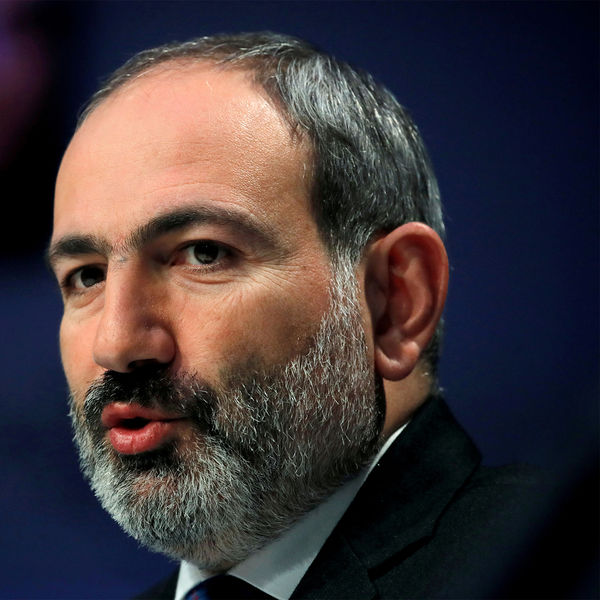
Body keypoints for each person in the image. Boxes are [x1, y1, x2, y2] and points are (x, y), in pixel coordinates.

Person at [48, 32, 542, 599]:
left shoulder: (553, 563)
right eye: (87, 276)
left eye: (204, 253)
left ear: (395, 302)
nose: (115, 344)